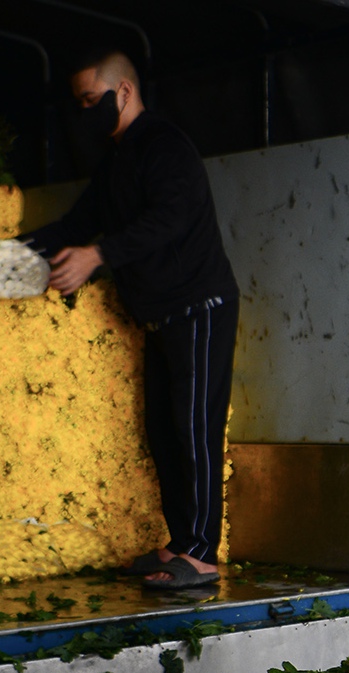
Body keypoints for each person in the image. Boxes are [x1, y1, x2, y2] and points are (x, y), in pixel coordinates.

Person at [23, 50, 239, 590]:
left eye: (90, 100)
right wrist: (8, 252)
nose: (84, 112)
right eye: (78, 104)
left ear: (123, 93)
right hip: (162, 317)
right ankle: (180, 541)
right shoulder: (116, 161)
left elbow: (169, 219)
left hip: (200, 308)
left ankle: (202, 554)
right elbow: (78, 222)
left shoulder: (165, 147)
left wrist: (97, 256)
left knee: (195, 430)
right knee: (164, 434)